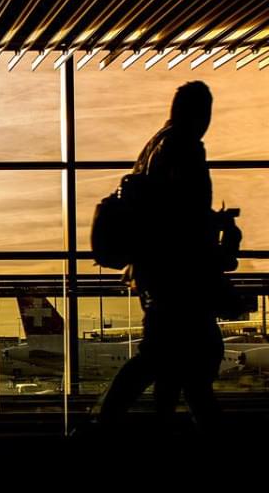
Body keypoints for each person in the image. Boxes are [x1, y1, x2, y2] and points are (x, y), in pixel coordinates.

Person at [96, 81, 227, 431]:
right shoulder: (184, 148)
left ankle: (126, 424)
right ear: (199, 112)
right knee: (177, 360)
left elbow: (165, 211)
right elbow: (183, 214)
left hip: (155, 272)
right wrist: (213, 226)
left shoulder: (154, 147)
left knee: (169, 360)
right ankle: (107, 423)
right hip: (178, 274)